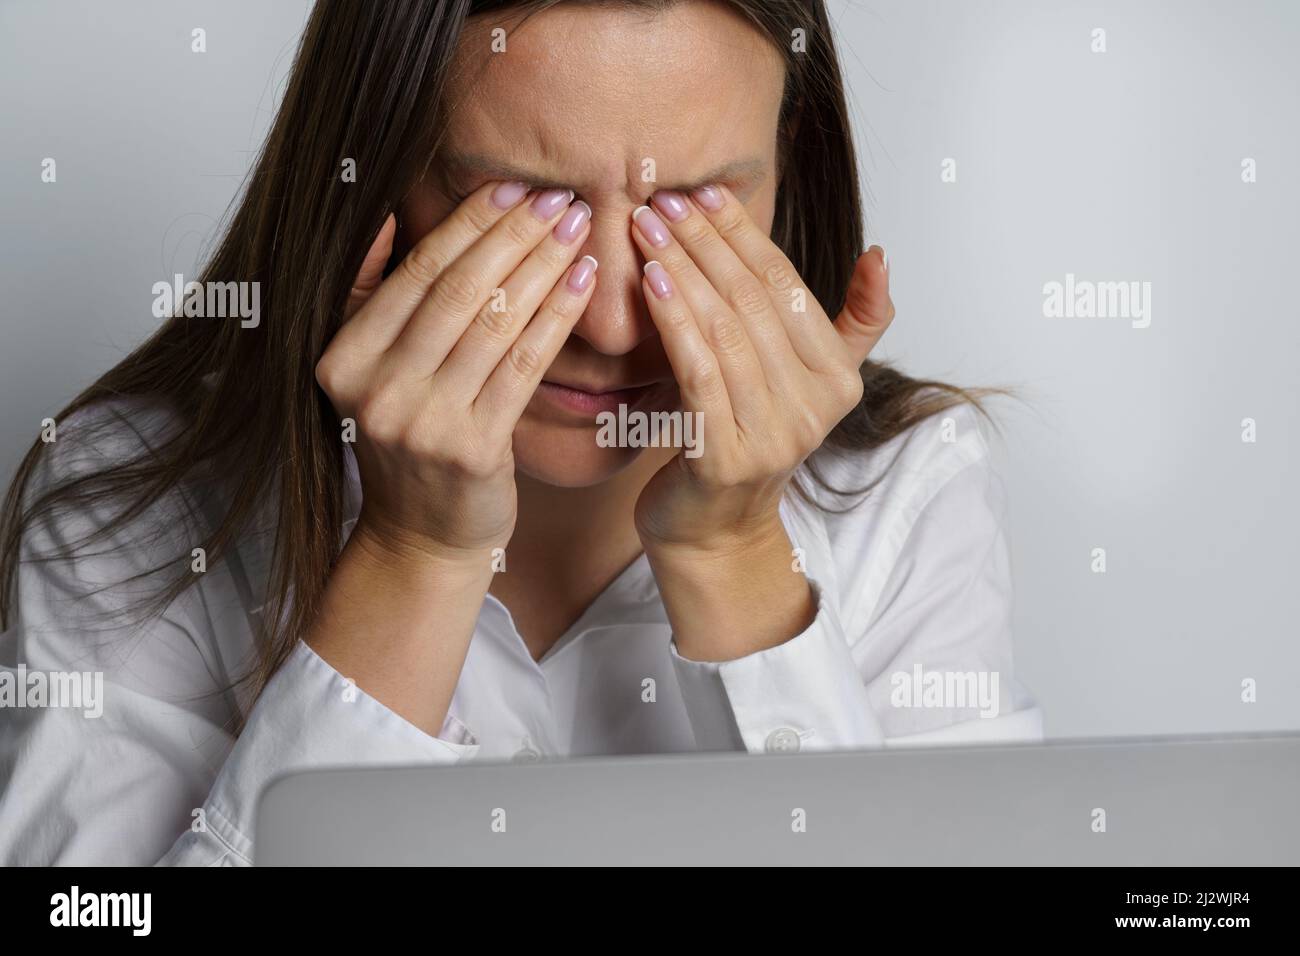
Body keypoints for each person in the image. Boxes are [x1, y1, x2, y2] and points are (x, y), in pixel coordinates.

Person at [0, 0, 1041, 865]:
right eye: (528, 204)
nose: (611, 321)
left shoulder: (910, 490)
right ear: (369, 182)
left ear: (787, 169)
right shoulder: (131, 499)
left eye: (692, 206)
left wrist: (736, 555)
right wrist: (412, 558)